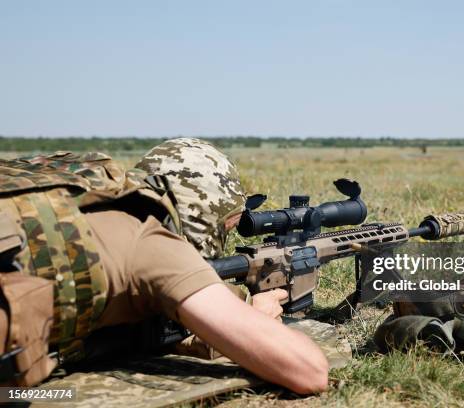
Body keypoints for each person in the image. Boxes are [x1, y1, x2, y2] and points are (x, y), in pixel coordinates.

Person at [0, 138, 328, 394]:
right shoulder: (153, 245)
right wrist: (255, 315)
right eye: (227, 227)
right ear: (203, 214)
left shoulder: (88, 203)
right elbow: (308, 371)